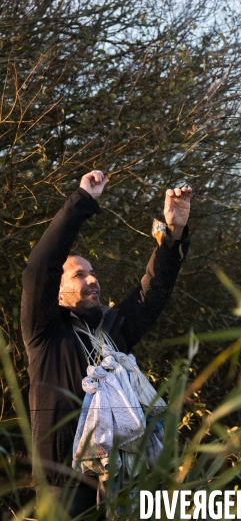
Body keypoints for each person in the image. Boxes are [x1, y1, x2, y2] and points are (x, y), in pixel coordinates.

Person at [20, 170, 191, 517]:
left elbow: (152, 294)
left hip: (123, 481)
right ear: (56, 289)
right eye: (79, 274)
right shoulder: (44, 332)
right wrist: (82, 201)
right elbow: (40, 266)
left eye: (93, 272)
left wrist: (173, 234)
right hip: (63, 486)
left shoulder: (113, 330)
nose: (92, 279)